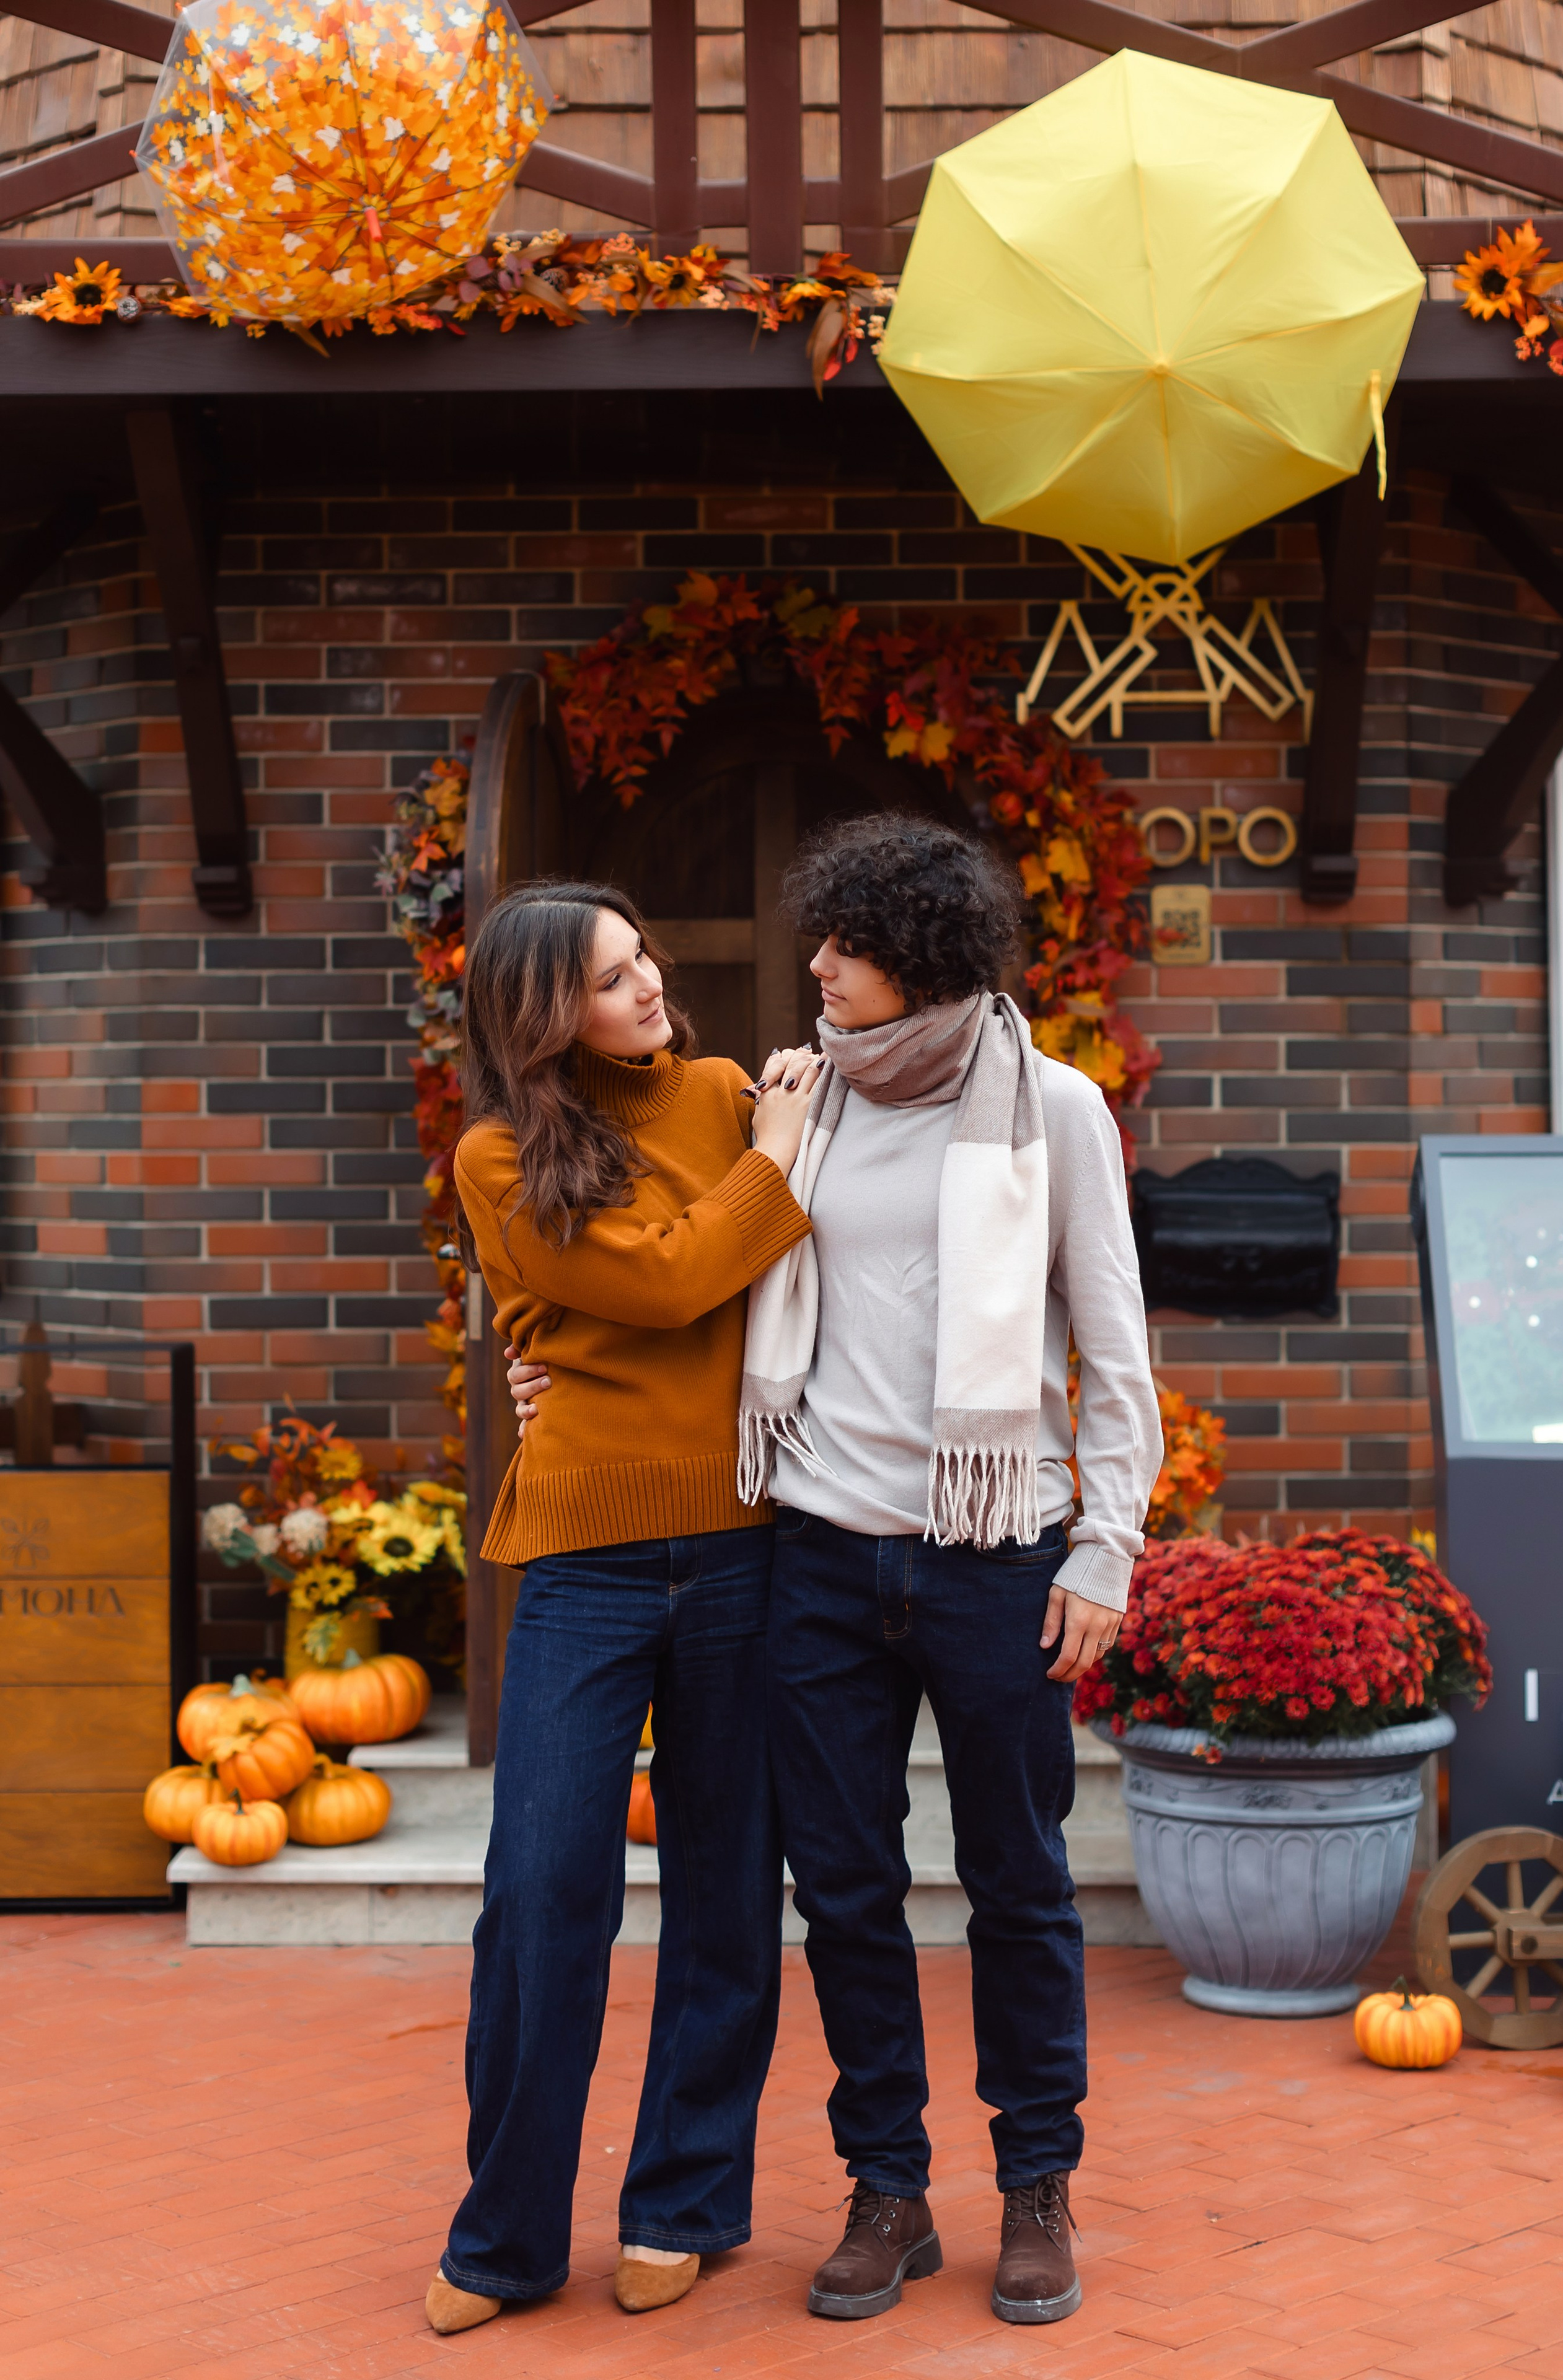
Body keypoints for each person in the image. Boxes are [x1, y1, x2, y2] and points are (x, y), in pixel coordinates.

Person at [739, 812, 1161, 2329]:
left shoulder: (1053, 1108)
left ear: (917, 953)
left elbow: (1113, 1352)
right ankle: (887, 2189)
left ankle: (1035, 2184)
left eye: (843, 947)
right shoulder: (798, 1109)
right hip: (822, 1552)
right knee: (844, 1890)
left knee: (1018, 1884)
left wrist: (1102, 1545)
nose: (817, 967)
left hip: (993, 1559)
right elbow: (700, 1274)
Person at [426, 882, 819, 2337]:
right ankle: (507, 2233)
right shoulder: (495, 1151)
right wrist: (765, 1176)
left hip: (743, 1548)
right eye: (609, 974)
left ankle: (685, 2201)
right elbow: (666, 1281)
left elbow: (768, 1277)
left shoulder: (725, 1095)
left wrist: (758, 1166)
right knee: (540, 1896)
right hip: (587, 1565)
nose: (649, 980)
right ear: (543, 1012)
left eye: (642, 952)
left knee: (726, 1891)